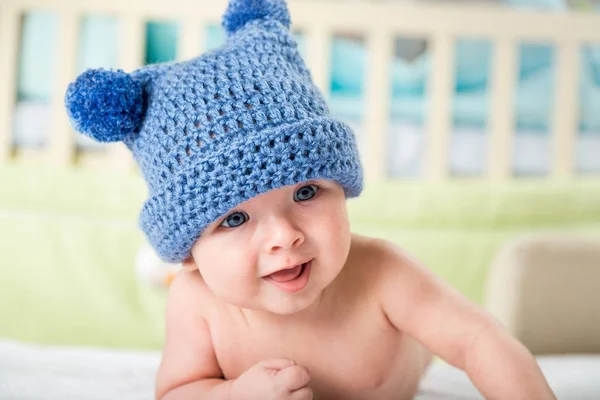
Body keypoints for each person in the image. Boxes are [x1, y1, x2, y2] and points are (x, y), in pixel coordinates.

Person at [64, 0, 557, 399]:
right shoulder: (197, 302)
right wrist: (234, 393)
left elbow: (479, 340)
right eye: (234, 218)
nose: (284, 236)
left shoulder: (381, 273)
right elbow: (176, 391)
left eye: (305, 192)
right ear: (190, 249)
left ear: (341, 187)